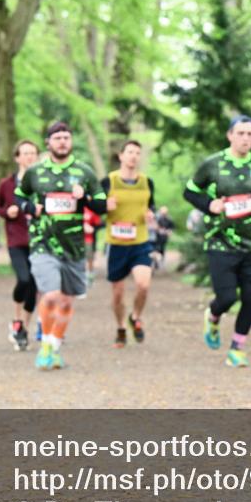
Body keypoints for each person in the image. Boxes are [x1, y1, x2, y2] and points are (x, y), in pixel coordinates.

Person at [183, 114, 251, 368]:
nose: (245, 138)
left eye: (250, 134)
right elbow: (190, 192)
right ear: (230, 135)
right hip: (220, 242)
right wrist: (209, 204)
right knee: (227, 298)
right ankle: (214, 315)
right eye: (240, 133)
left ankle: (237, 347)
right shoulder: (213, 164)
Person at [15, 121, 107, 370]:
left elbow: (102, 204)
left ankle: (54, 347)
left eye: (66, 137)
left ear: (71, 141)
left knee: (66, 302)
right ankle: (45, 343)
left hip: (74, 247)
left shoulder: (84, 172)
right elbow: (20, 195)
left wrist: (84, 197)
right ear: (48, 143)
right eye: (57, 138)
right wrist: (29, 208)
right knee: (52, 295)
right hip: (43, 243)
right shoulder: (35, 172)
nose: (62, 142)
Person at [101, 140, 156, 348]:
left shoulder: (146, 182)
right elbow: (95, 206)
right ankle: (121, 327)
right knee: (117, 294)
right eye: (130, 152)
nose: (133, 156)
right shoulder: (109, 181)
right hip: (116, 243)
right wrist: (104, 205)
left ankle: (135, 317)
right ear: (121, 156)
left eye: (137, 153)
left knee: (143, 285)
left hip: (140, 241)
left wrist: (150, 214)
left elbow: (151, 206)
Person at [0, 139, 40, 351]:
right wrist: (6, 212)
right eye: (25, 153)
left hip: (40, 240)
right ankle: (16, 318)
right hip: (17, 240)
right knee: (24, 279)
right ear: (17, 158)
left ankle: (23, 328)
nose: (29, 156)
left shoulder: (43, 183)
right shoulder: (7, 184)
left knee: (35, 286)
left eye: (33, 153)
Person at [151, 205, 175, 270]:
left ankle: (160, 262)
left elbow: (172, 227)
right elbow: (153, 226)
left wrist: (169, 231)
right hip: (156, 237)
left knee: (162, 249)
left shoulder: (169, 219)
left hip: (164, 237)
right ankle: (155, 262)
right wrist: (158, 229)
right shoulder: (156, 218)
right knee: (155, 250)